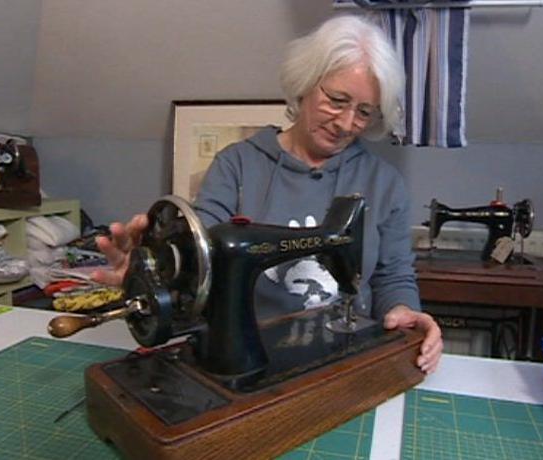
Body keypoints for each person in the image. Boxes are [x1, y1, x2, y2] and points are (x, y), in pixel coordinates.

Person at [92, 15, 443, 375]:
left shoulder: (384, 183)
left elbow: (393, 274)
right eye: (337, 100)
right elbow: (200, 262)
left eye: (364, 112)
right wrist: (152, 274)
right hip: (249, 355)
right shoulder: (237, 167)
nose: (345, 124)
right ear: (305, 85)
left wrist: (404, 310)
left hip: (345, 359)